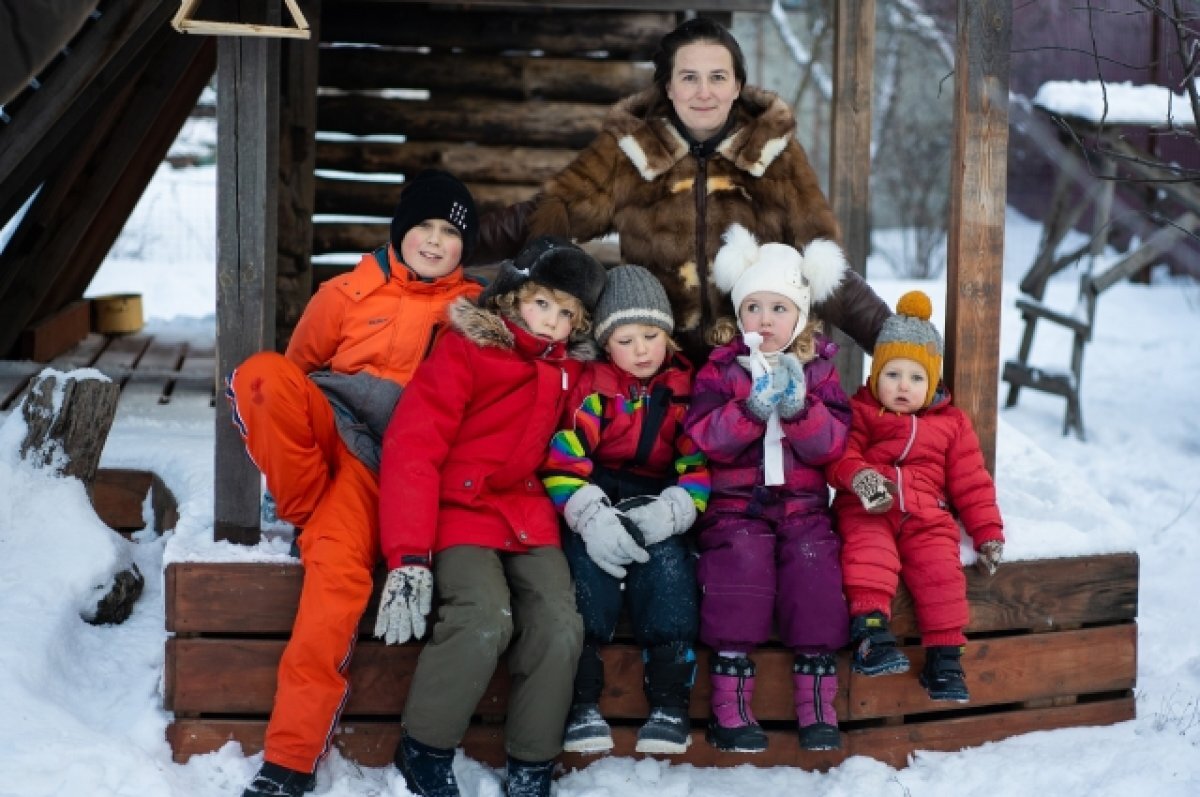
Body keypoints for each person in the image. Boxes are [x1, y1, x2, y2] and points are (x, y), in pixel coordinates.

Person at [225, 169, 484, 797]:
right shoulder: (343, 293)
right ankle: (302, 506)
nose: (432, 240)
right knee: (260, 376)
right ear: (399, 232)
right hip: (324, 438)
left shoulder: (472, 313)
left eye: (448, 232)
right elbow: (294, 377)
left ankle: (288, 760)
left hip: (382, 471)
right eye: (422, 225)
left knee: (336, 580)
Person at [476, 16, 891, 364]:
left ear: (737, 85)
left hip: (750, 368)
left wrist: (897, 345)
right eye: (689, 77)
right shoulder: (631, 152)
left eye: (717, 77)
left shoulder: (773, 156)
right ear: (669, 86)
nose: (704, 92)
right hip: (656, 366)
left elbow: (823, 268)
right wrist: (449, 242)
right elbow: (547, 212)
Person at [373, 236, 607, 797]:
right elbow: (414, 448)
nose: (552, 322)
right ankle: (424, 747)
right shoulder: (466, 351)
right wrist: (408, 555)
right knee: (484, 615)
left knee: (559, 623)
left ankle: (531, 761)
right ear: (512, 298)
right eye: (543, 303)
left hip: (528, 515)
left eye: (567, 313)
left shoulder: (570, 373)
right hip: (459, 509)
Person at [682, 224, 852, 753]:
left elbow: (832, 446)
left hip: (802, 508)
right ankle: (730, 704)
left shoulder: (820, 373)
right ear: (739, 316)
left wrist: (801, 410)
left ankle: (817, 698)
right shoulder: (720, 371)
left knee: (814, 571)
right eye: (753, 308)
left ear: (799, 315)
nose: (765, 320)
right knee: (741, 570)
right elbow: (704, 438)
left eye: (778, 309)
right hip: (736, 509)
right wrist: (751, 409)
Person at [540, 265, 711, 756]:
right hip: (597, 494)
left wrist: (678, 508)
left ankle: (670, 703)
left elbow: (698, 461)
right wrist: (588, 513)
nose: (641, 350)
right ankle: (582, 702)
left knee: (669, 574)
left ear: (668, 335)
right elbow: (564, 457)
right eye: (626, 339)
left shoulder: (682, 389)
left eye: (652, 336)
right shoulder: (594, 389)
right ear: (605, 343)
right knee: (586, 576)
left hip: (655, 498)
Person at [827, 290, 1005, 703]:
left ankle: (945, 657)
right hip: (869, 506)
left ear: (932, 382)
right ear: (876, 377)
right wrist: (862, 479)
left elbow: (971, 482)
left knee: (941, 569)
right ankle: (870, 634)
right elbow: (839, 458)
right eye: (892, 375)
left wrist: (988, 532)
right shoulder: (862, 410)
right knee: (869, 552)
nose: (903, 386)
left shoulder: (952, 425)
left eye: (916, 377)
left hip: (927, 513)